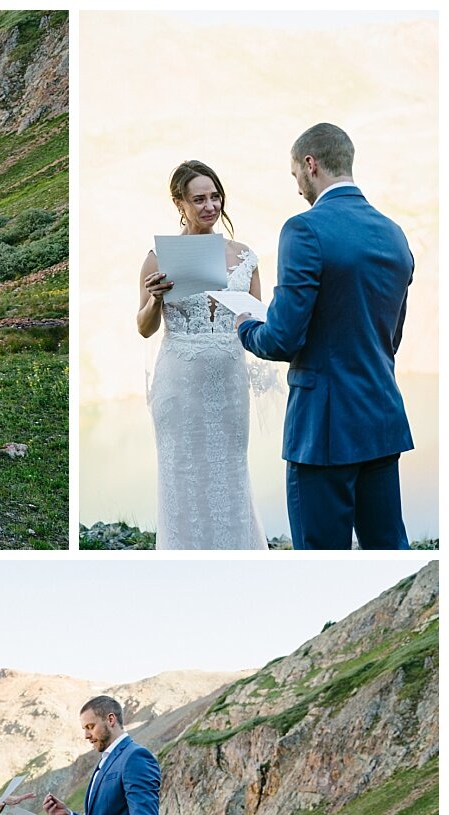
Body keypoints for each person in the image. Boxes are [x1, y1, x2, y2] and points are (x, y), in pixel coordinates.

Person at [237, 123, 414, 550]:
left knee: (318, 551)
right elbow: (391, 336)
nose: (297, 186)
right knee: (387, 546)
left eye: (295, 172)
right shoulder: (395, 234)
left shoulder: (304, 230)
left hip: (322, 429)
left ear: (310, 165)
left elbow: (281, 339)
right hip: (381, 419)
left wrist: (244, 325)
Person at [140, 160, 267, 549]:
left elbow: (260, 322)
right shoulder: (158, 257)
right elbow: (144, 327)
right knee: (183, 473)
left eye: (215, 197)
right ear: (179, 203)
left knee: (230, 470)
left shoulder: (245, 256)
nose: (210, 206)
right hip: (179, 384)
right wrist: (155, 299)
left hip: (228, 381)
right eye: (199, 199)